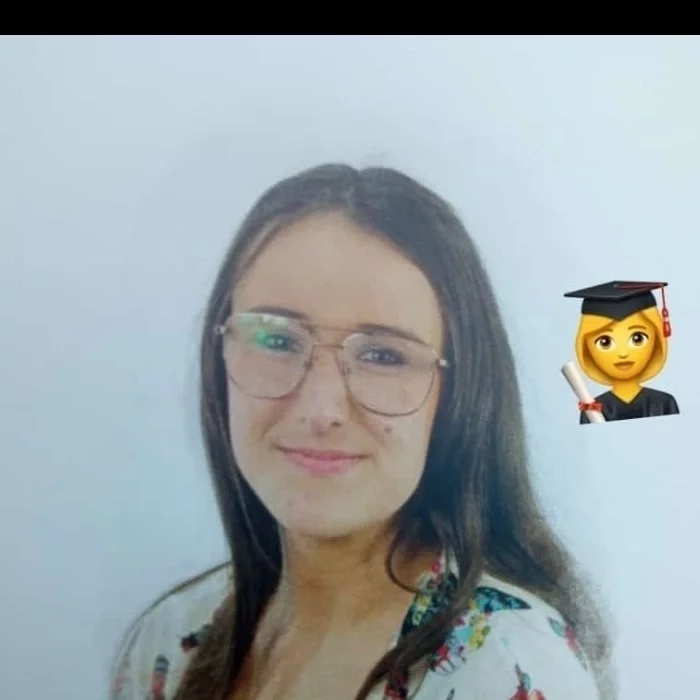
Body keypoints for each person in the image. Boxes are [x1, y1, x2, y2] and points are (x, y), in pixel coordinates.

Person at [110, 164, 615, 700]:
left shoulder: (507, 668)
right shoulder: (168, 646)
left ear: (458, 398)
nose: (321, 409)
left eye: (383, 356)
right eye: (278, 340)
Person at [564, 280, 679, 424]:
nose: (623, 353)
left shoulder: (664, 403)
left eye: (637, 338)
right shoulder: (592, 409)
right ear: (586, 350)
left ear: (656, 340)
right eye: (605, 342)